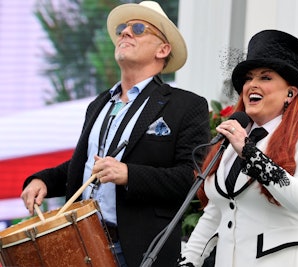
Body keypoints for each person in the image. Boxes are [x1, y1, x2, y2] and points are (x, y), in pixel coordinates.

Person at [20, 1, 210, 266]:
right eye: (123, 28)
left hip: (138, 251)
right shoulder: (99, 104)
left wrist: (129, 174)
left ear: (163, 49)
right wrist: (41, 180)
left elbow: (191, 179)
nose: (125, 32)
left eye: (139, 28)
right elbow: (86, 166)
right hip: (82, 245)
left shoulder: (186, 106)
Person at [177, 29, 298, 267]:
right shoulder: (233, 144)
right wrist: (189, 261)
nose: (252, 84)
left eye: (265, 77)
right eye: (248, 78)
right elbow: (216, 214)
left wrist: (250, 154)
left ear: (290, 93)